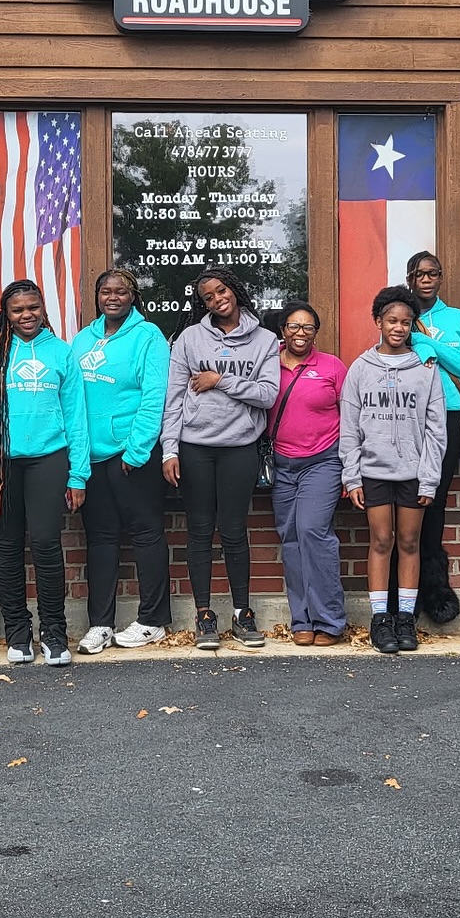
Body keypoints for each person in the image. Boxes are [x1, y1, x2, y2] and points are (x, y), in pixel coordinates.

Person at [0, 279, 90, 667]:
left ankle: (54, 633)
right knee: (8, 546)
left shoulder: (62, 354)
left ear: (42, 309)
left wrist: (77, 474)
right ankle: (17, 633)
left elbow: (76, 418)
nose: (26, 315)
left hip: (49, 459)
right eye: (18, 310)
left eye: (33, 307)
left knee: (47, 545)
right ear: (7, 314)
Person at [162, 267, 280, 652]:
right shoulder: (190, 339)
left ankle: (243, 613)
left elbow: (267, 395)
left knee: (233, 530)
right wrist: (170, 449)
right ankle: (204, 615)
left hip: (240, 447)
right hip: (195, 446)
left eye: (221, 290)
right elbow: (174, 398)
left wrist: (221, 380)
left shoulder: (263, 340)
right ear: (203, 303)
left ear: (235, 289)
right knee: (199, 530)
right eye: (208, 296)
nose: (217, 299)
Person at [340, 286, 449, 655]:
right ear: (378, 322)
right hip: (373, 471)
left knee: (409, 543)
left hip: (413, 472)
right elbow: (349, 426)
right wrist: (352, 475)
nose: (398, 327)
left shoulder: (425, 369)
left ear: (412, 325)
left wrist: (430, 476)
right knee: (381, 541)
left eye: (405, 322)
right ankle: (380, 619)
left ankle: (405, 619)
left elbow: (437, 428)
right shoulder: (360, 368)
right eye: (391, 320)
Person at [72, 269, 172, 653]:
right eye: (105, 291)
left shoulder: (148, 336)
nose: (112, 297)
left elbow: (154, 395)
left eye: (121, 291)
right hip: (92, 456)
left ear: (133, 296)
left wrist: (137, 449)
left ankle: (153, 620)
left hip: (132, 455)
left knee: (146, 534)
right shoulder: (83, 339)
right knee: (100, 539)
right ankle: (100, 624)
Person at [404, 250, 460, 624]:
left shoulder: (457, 319)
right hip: (407, 415)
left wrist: (432, 346)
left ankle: (434, 585)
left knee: (434, 496)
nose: (427, 279)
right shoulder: (401, 317)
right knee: (406, 495)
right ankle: (404, 588)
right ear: (410, 280)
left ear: (441, 277)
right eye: (419, 274)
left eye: (433, 273)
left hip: (447, 414)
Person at [268, 299, 347, 646]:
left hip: (323, 461)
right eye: (294, 326)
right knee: (291, 540)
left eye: (308, 327)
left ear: (316, 332)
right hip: (281, 465)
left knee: (313, 532)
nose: (301, 333)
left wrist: (351, 467)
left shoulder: (331, 366)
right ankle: (301, 619)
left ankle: (329, 621)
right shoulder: (267, 365)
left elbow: (352, 416)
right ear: (283, 330)